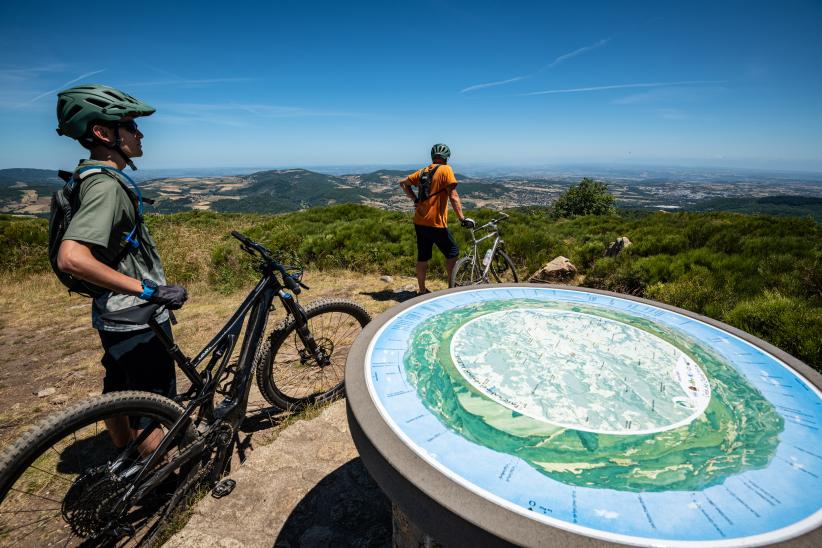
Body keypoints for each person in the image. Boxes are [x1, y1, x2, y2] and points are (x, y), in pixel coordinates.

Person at [54, 84, 188, 452]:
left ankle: (126, 461)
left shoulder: (85, 177)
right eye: (131, 126)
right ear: (103, 133)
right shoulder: (106, 187)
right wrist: (149, 291)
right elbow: (73, 257)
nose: (139, 133)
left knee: (119, 394)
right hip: (137, 316)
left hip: (113, 315)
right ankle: (159, 483)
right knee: (153, 408)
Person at [398, 143, 474, 294]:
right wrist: (462, 218)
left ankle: (421, 290)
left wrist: (415, 199)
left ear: (433, 157)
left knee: (422, 257)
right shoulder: (446, 169)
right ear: (446, 158)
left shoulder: (423, 171)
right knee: (453, 253)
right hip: (436, 223)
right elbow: (453, 196)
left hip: (419, 222)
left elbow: (403, 183)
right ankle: (451, 289)